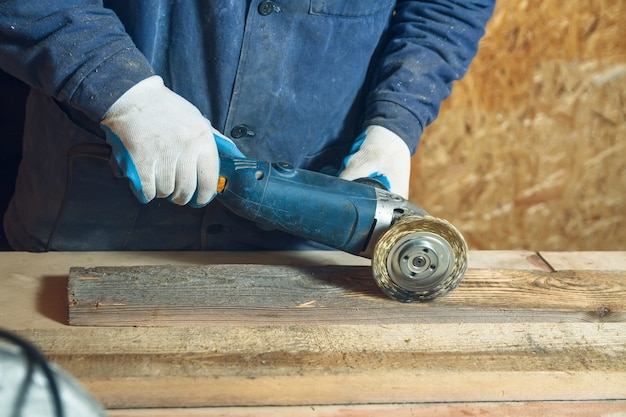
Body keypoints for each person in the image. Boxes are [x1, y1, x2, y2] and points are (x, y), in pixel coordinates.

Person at [0, 0, 495, 252]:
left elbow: (447, 6)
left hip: (311, 212)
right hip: (93, 206)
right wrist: (124, 94)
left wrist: (395, 123)